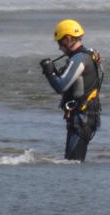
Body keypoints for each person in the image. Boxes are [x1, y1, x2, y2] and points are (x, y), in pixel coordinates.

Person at [40, 18, 102, 162]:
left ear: (68, 39)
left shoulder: (80, 59)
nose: (59, 48)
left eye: (60, 43)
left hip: (82, 119)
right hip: (83, 117)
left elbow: (61, 86)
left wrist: (49, 72)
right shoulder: (87, 55)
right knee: (73, 163)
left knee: (73, 164)